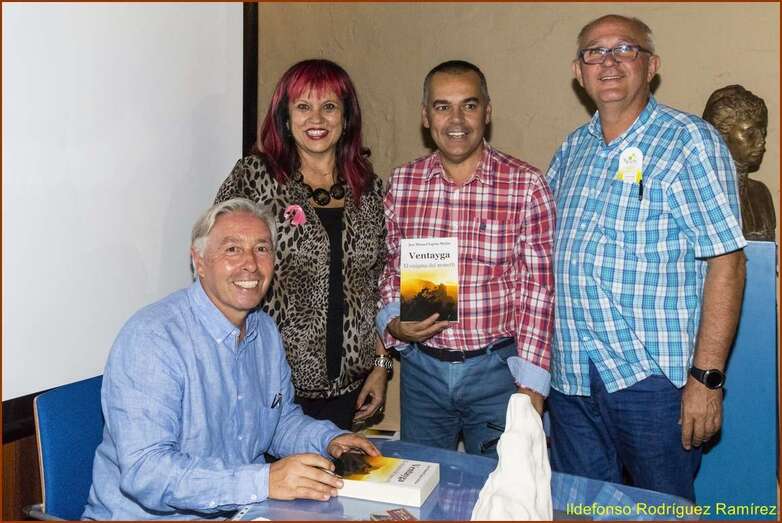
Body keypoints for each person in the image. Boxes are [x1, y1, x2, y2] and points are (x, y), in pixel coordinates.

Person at [546, 14, 746, 500]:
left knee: (663, 510)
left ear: (651, 65)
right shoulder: (571, 152)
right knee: (583, 510)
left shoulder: (690, 142)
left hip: (652, 381)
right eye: (595, 52)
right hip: (571, 376)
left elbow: (728, 261)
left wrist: (706, 379)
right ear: (578, 71)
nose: (608, 61)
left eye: (624, 49)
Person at [82, 198, 378, 520]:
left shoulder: (264, 331)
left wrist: (328, 439)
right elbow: (147, 472)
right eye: (232, 249)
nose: (250, 264)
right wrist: (263, 480)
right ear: (199, 261)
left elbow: (278, 423)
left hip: (240, 511)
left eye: (262, 249)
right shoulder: (153, 338)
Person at [376, 60, 556, 458]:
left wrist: (531, 388)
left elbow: (538, 293)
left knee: (503, 492)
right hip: (422, 373)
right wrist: (393, 320)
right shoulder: (404, 182)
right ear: (426, 116)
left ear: (487, 112)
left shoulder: (526, 185)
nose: (456, 120)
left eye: (469, 106)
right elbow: (390, 267)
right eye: (442, 107)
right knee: (420, 484)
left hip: (497, 374)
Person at [215, 59, 389, 430]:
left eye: (329, 107)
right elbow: (218, 271)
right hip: (270, 389)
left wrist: (381, 366)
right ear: (285, 116)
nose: (317, 119)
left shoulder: (369, 189)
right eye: (303, 106)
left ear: (346, 118)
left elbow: (377, 285)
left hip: (350, 393)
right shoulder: (254, 179)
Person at [703, 84, 775, 241]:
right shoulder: (702, 193)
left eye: (762, 132)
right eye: (749, 134)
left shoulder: (761, 193)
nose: (761, 141)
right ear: (721, 135)